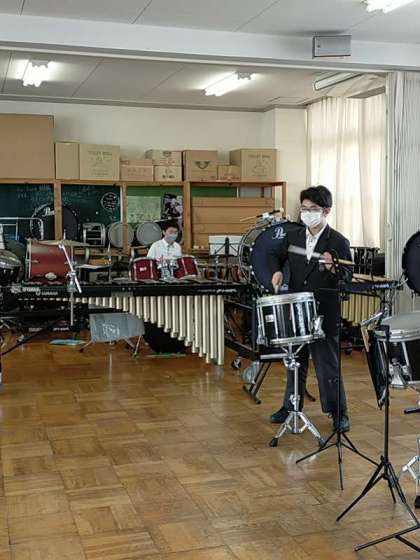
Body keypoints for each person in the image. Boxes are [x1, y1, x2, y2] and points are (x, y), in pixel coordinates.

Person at [268, 185, 352, 433]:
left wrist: (334, 268)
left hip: (324, 310)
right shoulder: (293, 236)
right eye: (304, 208)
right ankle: (290, 407)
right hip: (297, 308)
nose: (306, 213)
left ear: (326, 211)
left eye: (312, 209)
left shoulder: (338, 241)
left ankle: (338, 412)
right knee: (296, 360)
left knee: (327, 364)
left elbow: (347, 276)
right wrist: (276, 271)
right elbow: (275, 256)